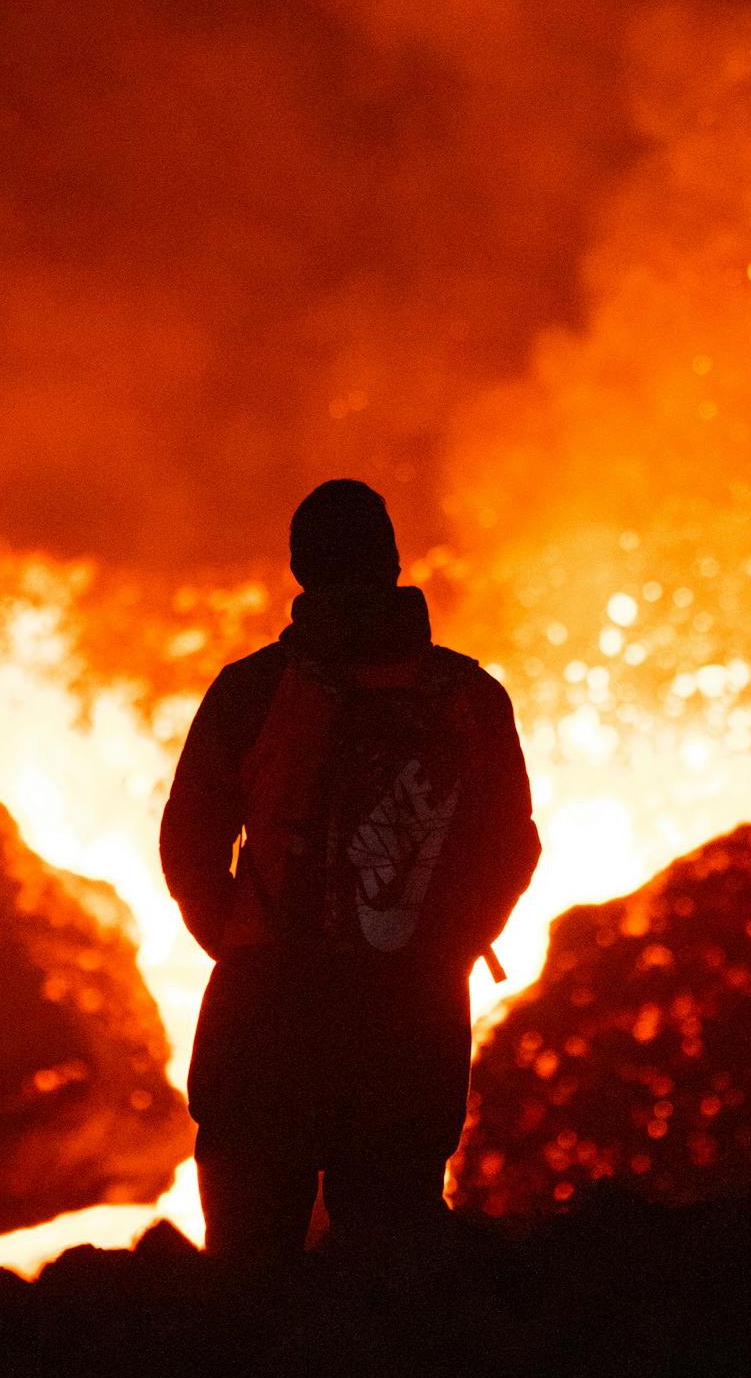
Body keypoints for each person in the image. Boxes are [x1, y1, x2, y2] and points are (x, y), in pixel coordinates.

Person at [160, 477, 540, 1259]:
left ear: (300, 569)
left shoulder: (254, 691)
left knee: (249, 1269)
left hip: (267, 1019)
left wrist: (245, 945)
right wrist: (445, 951)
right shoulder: (468, 696)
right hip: (410, 1023)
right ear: (394, 561)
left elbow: (188, 847)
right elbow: (511, 846)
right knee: (389, 1276)